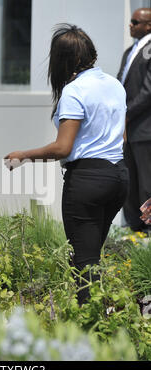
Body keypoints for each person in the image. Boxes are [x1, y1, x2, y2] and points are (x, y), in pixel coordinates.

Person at [4, 24, 129, 306]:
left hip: (87, 180)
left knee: (83, 266)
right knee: (92, 258)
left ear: (62, 60)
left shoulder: (74, 91)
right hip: (118, 176)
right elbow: (122, 136)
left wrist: (22, 155)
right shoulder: (115, 85)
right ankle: (104, 322)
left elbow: (63, 147)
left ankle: (89, 334)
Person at [117, 8, 151, 233]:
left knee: (147, 183)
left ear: (148, 25)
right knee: (129, 181)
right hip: (128, 129)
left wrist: (126, 113)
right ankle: (134, 228)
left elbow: (149, 91)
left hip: (144, 129)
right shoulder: (131, 50)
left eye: (135, 21)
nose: (130, 25)